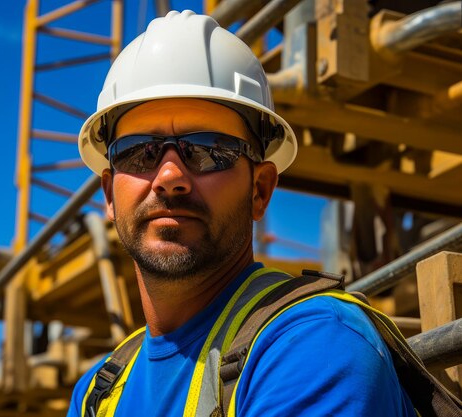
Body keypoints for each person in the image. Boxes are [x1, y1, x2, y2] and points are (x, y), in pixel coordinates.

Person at [68, 10, 417, 417]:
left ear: (260, 190)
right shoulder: (97, 393)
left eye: (208, 149)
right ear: (110, 194)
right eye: (139, 151)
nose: (169, 176)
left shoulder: (314, 346)